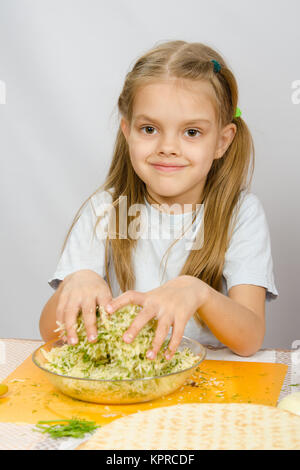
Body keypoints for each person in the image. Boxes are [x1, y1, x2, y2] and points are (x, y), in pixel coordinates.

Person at [39, 40, 278, 359]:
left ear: (222, 141)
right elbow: (46, 332)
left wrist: (199, 293)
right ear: (127, 132)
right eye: (149, 128)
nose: (168, 147)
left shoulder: (240, 214)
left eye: (191, 132)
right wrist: (77, 281)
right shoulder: (107, 211)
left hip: (205, 384)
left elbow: (249, 339)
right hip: (123, 383)